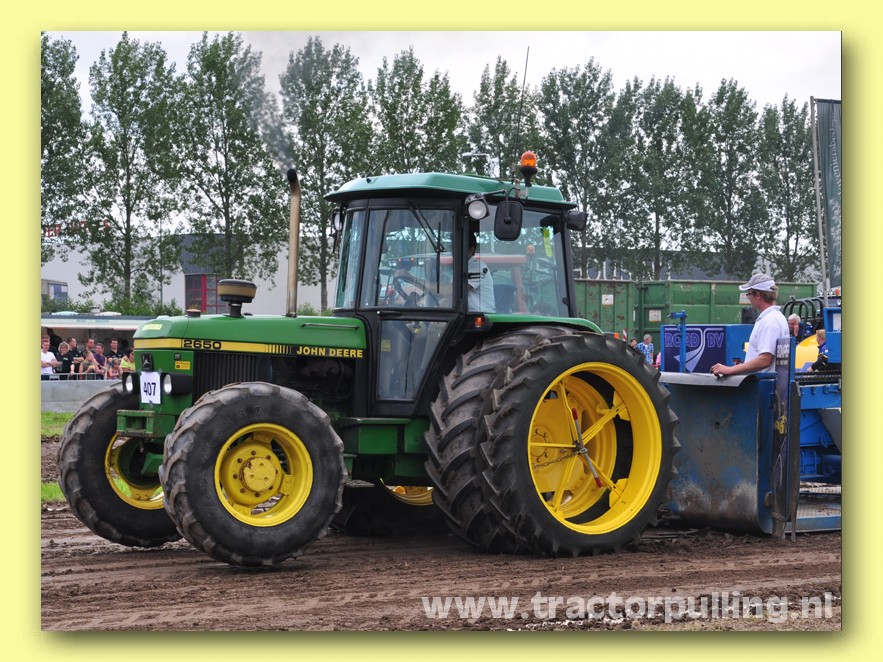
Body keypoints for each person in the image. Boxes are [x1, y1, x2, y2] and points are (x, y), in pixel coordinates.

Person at [711, 273, 789, 376]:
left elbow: (765, 360)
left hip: (762, 383)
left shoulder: (769, 321)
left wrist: (730, 370)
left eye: (749, 294)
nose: (748, 298)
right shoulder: (777, 317)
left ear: (758, 295)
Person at [467, 234, 495, 312]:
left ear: (471, 250)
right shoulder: (463, 268)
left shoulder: (477, 267)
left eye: (457, 247)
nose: (453, 251)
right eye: (452, 246)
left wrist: (433, 287)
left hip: (482, 315)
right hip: (469, 314)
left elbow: (453, 291)